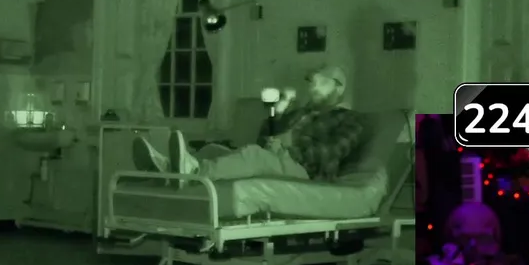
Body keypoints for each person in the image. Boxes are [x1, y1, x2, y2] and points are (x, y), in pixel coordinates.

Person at [132, 66, 364, 181]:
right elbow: (263, 136)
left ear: (339, 88)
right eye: (312, 83)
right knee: (212, 150)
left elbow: (331, 152)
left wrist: (290, 145)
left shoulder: (350, 119)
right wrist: (276, 119)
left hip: (306, 172)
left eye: (321, 83)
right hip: (277, 159)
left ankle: (192, 172)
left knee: (252, 155)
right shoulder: (300, 113)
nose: (313, 88)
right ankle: (167, 171)